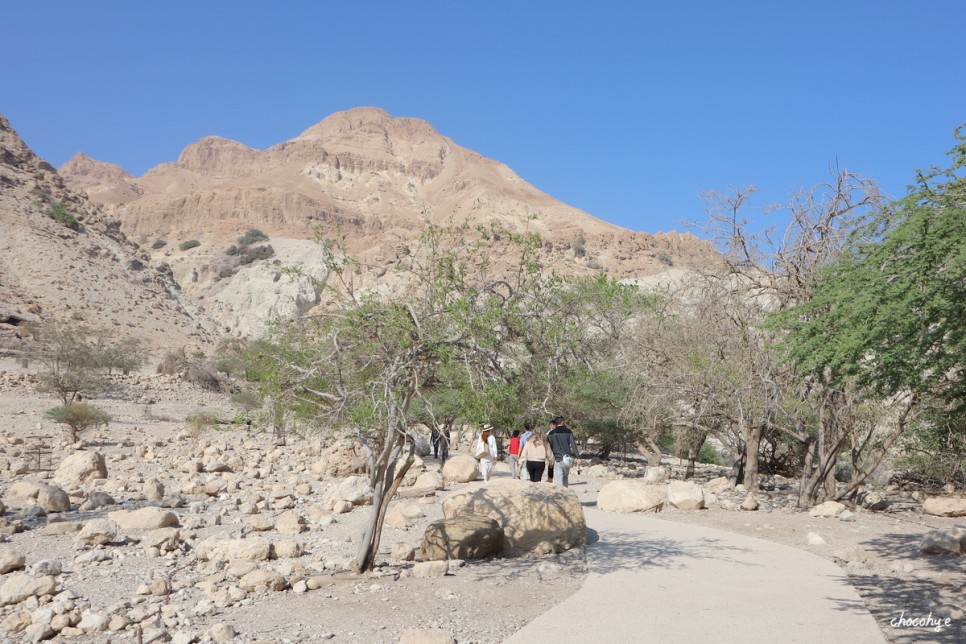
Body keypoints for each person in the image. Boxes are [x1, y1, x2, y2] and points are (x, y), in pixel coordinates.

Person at [546, 416, 580, 487]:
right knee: (565, 477)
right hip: (567, 458)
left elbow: (549, 447)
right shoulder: (569, 432)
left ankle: (562, 495)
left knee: (559, 477)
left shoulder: (551, 433)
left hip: (557, 458)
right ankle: (566, 493)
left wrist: (549, 458)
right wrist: (578, 457)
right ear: (562, 422)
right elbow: (573, 445)